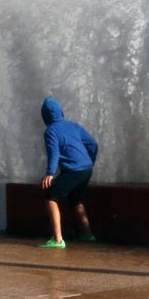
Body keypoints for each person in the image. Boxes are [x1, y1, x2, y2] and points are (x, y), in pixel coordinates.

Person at [39, 96, 98, 249]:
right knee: (75, 200)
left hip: (73, 171)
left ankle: (58, 240)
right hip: (87, 170)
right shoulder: (73, 126)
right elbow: (93, 144)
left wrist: (50, 173)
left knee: (50, 196)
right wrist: (90, 161)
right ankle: (87, 234)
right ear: (61, 112)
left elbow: (54, 153)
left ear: (44, 116)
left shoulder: (50, 131)